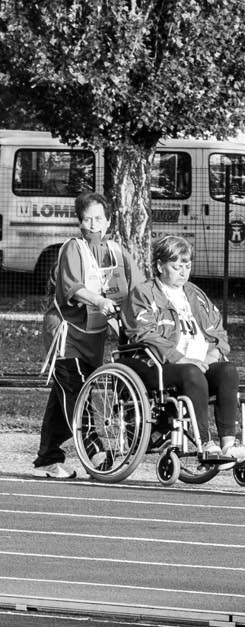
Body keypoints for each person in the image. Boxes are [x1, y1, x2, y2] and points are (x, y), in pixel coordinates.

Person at [123, 235, 245, 463]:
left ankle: (229, 444)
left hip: (199, 363)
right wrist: (179, 358)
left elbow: (218, 331)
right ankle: (206, 444)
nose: (183, 272)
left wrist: (214, 353)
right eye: (177, 266)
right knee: (191, 371)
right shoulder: (143, 293)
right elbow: (145, 333)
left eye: (187, 266)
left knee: (228, 370)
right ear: (160, 266)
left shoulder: (195, 293)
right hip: (159, 365)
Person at [31, 192, 141, 479]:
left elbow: (138, 289)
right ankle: (95, 451)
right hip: (66, 334)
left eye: (98, 219)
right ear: (79, 222)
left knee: (63, 396)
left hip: (94, 337)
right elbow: (72, 287)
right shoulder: (72, 248)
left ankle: (48, 457)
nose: (93, 224)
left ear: (109, 221)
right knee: (75, 391)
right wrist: (101, 301)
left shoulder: (118, 252)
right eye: (87, 219)